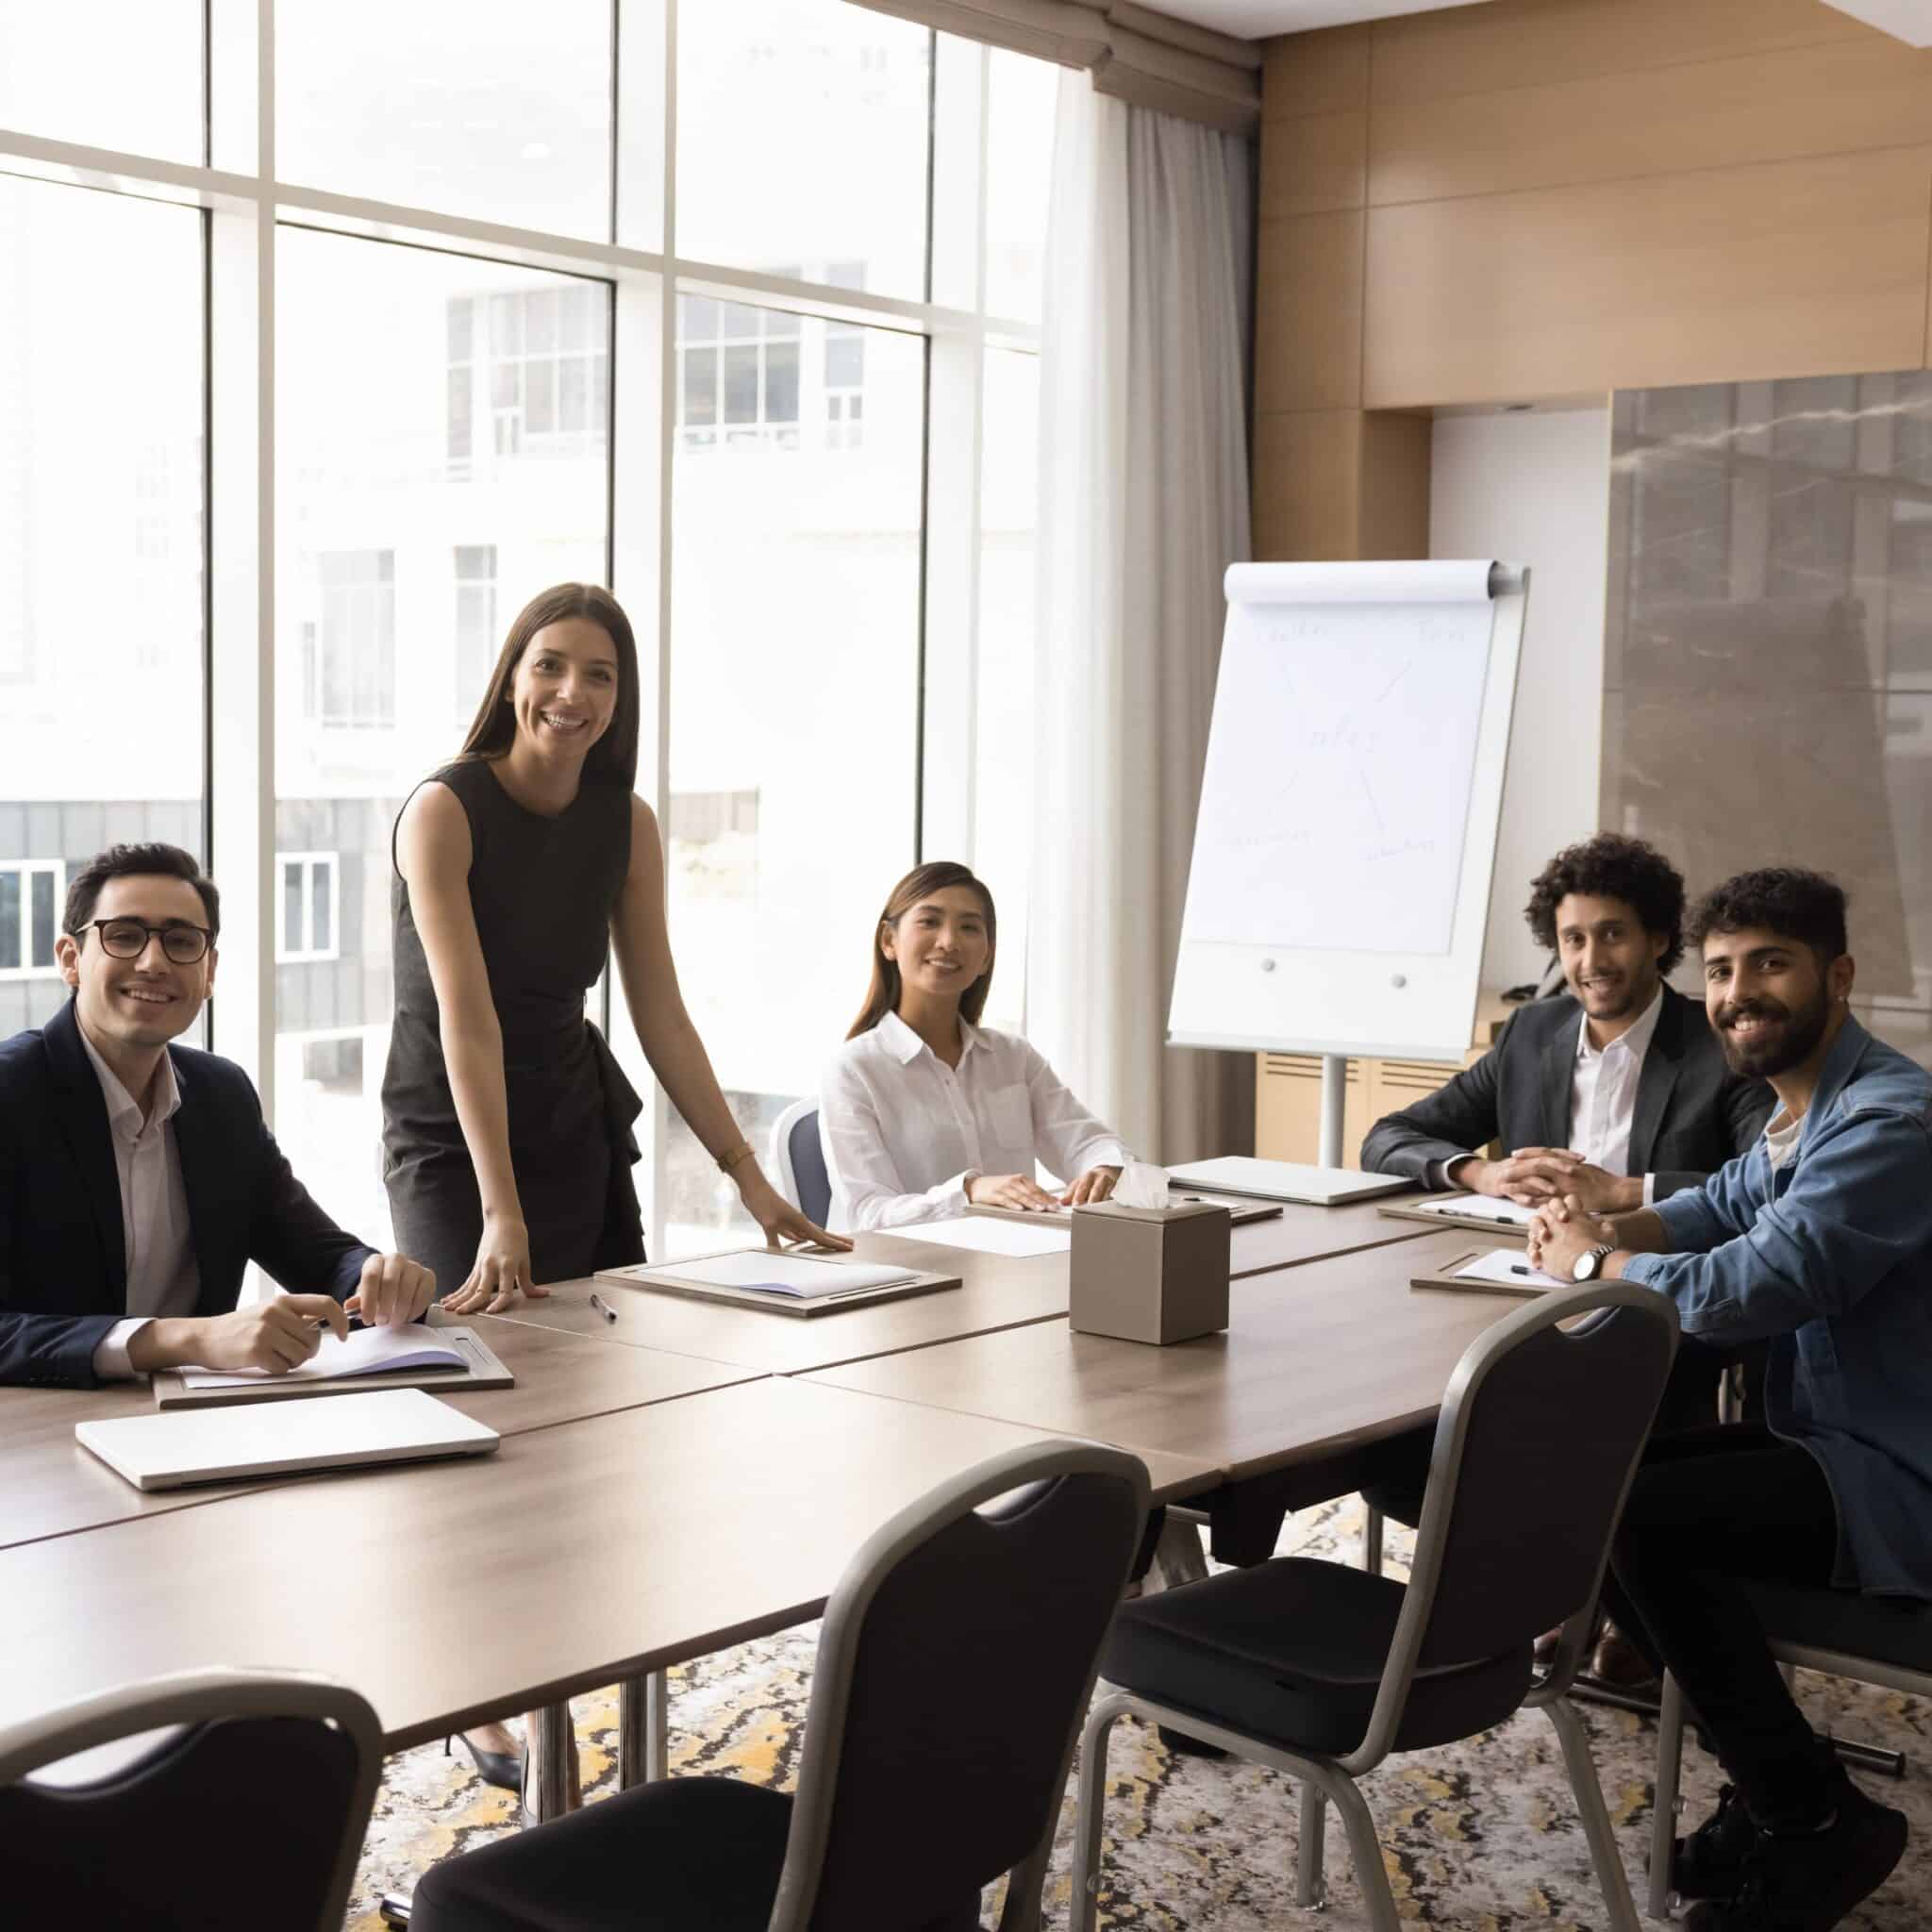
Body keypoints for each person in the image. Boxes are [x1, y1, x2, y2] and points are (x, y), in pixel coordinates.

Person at [383, 580, 841, 1794]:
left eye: (598, 675)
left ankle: (571, 1666)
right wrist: (498, 1205)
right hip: (452, 1130)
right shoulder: (444, 808)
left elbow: (658, 1011)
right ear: (511, 672)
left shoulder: (622, 820)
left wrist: (750, 1176)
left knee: (600, 1422)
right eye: (551, 666)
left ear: (620, 696)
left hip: (576, 1118)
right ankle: (480, 1690)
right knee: (487, 1413)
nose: (571, 695)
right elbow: (465, 1020)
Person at [1530, 869, 1924, 1932]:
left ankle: (1809, 1814)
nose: (1735, 991)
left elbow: (1749, 1283)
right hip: (1835, 1439)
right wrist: (1607, 1229)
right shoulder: (1811, 1108)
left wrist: (1581, 1271)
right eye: (1717, 969)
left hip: (1898, 1471)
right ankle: (1774, 1788)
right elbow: (1721, 1202)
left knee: (1634, 1510)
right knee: (1608, 1479)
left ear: (1835, 975)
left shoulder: (1891, 1121)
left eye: (1767, 963)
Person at [0, 843, 434, 1389]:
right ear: (70, 959)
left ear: (208, 973)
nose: (154, 962)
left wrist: (379, 1277)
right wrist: (188, 1339)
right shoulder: (12, 1093)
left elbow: (318, 1252)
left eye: (181, 942)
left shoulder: (220, 1095)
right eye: (124, 936)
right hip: (36, 1439)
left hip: (196, 1424)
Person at [1362, 832, 1772, 1212]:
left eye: (1612, 935)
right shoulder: (1528, 1034)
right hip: (1527, 1268)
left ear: (1658, 939)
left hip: (1659, 1271)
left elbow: (1769, 1182)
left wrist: (1623, 1191)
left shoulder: (1724, 1047)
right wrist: (1483, 1173)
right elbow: (1387, 1139)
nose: (1592, 961)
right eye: (1574, 940)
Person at [818, 861, 1129, 1232]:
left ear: (986, 957)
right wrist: (968, 1192)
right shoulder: (854, 1069)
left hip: (1014, 1262)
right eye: (930, 922)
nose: (948, 941)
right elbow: (866, 1213)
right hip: (911, 1273)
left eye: (968, 927)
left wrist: (1104, 1168)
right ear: (889, 941)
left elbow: (1088, 1142)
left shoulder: (1014, 1058)